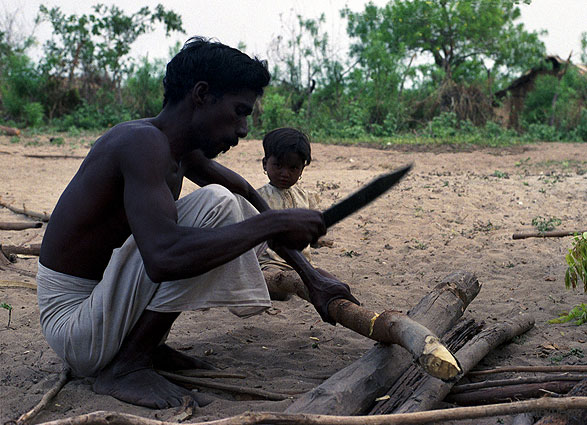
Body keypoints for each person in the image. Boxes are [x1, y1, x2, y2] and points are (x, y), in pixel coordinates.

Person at [36, 36, 358, 410]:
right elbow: (162, 257)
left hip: (102, 311)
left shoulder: (179, 150)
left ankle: (144, 347)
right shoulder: (141, 143)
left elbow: (251, 201)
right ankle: (127, 365)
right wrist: (272, 225)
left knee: (228, 202)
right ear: (202, 94)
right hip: (76, 325)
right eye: (238, 112)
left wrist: (311, 275)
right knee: (216, 207)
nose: (242, 130)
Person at [256, 128, 334, 299]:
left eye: (293, 168)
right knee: (278, 287)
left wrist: (317, 238)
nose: (285, 173)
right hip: (271, 264)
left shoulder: (304, 197)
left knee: (331, 281)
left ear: (301, 170)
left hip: (303, 265)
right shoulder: (257, 198)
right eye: (278, 165)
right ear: (265, 164)